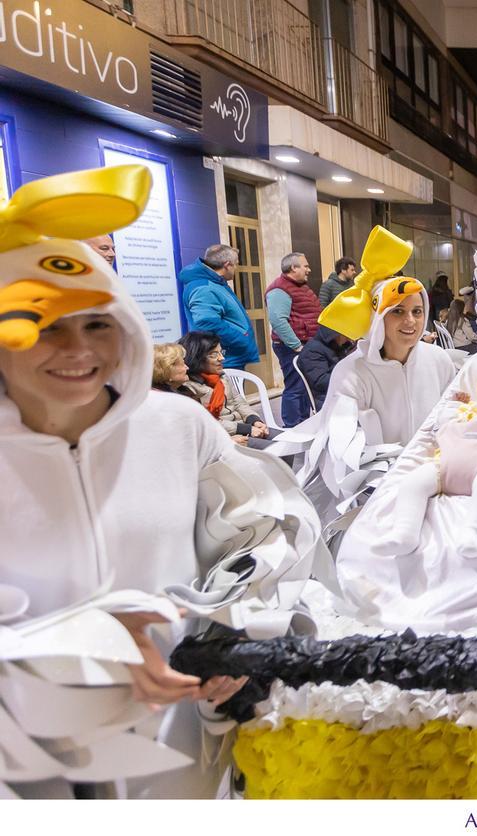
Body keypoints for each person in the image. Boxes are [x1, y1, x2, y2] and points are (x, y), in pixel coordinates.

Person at [0, 165, 324, 798]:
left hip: (179, 754)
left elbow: (268, 533)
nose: (76, 349)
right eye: (42, 325)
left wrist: (234, 631)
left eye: (96, 323)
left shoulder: (177, 427)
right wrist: (76, 646)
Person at [277, 226, 456, 522]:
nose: (410, 321)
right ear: (378, 317)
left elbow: (453, 416)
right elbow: (343, 449)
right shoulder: (351, 372)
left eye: (417, 311)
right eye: (397, 312)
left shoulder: (439, 360)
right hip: (376, 495)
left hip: (437, 482)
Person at [344, 351, 477, 559]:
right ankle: (404, 532)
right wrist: (456, 405)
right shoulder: (471, 408)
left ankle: (472, 531)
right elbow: (441, 423)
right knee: (413, 482)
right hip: (445, 464)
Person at [178, 330, 278, 448]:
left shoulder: (222, 376)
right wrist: (246, 428)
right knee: (277, 450)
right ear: (197, 357)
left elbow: (239, 402)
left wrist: (254, 420)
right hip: (224, 435)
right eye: (214, 355)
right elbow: (207, 422)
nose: (222, 358)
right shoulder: (189, 387)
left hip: (245, 426)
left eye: (221, 352)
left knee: (285, 440)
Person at [179, 244, 259, 371]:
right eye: (236, 264)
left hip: (229, 356)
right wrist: (240, 339)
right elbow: (207, 322)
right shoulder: (205, 288)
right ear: (227, 265)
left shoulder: (216, 283)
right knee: (227, 391)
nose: (236, 268)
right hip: (224, 359)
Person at [266, 251, 319, 426]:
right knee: (295, 388)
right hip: (291, 347)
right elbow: (278, 321)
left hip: (304, 344)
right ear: (293, 268)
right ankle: (292, 427)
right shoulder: (279, 289)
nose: (309, 270)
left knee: (303, 387)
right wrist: (297, 346)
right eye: (305, 266)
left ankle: (303, 424)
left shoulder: (299, 286)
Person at [297, 324, 355, 410]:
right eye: (346, 335)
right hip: (329, 400)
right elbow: (320, 381)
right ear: (335, 334)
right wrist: (350, 377)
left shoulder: (338, 346)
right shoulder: (312, 351)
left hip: (342, 394)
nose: (348, 339)